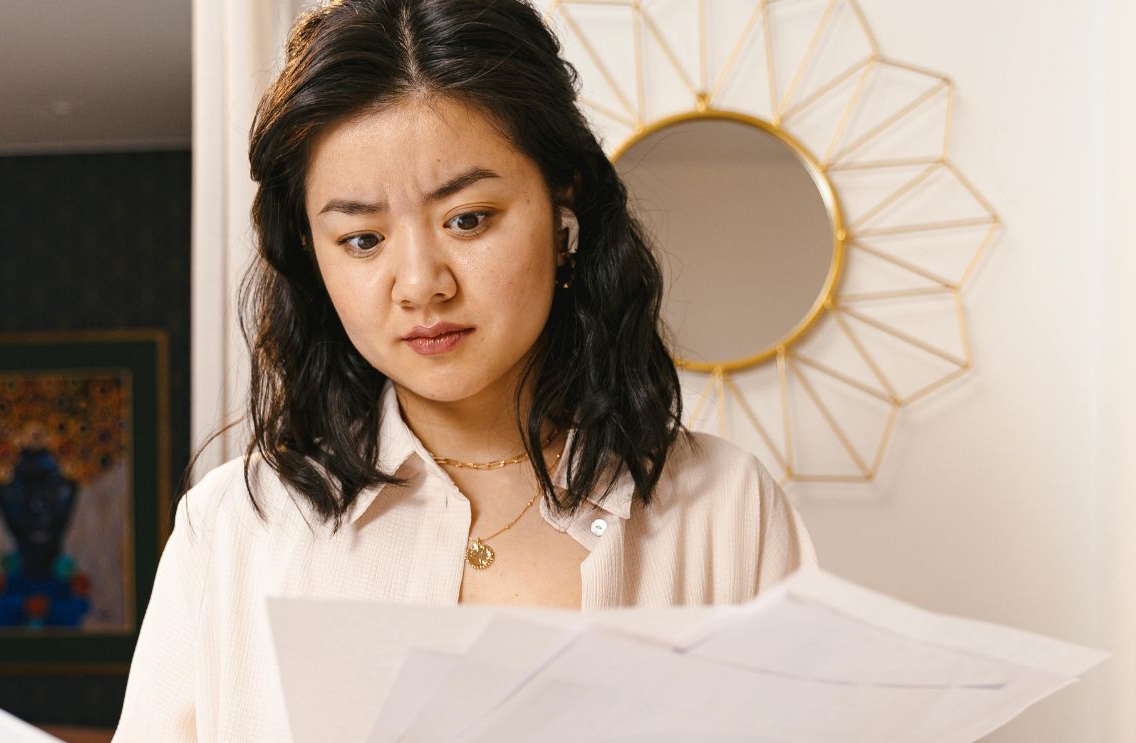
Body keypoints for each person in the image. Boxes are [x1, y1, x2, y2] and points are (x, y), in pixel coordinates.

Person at [114, 0, 815, 738]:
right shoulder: (232, 528)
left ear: (563, 206)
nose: (420, 283)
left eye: (468, 219)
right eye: (360, 238)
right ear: (310, 254)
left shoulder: (725, 511)